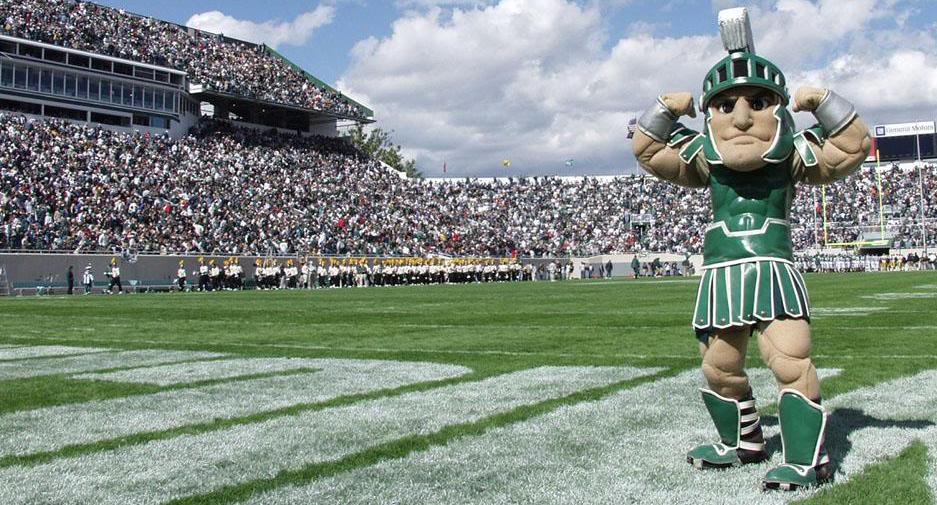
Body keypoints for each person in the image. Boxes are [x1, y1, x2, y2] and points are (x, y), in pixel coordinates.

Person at [632, 7, 870, 491]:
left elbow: (852, 146)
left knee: (790, 361)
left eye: (758, 102)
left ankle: (807, 460)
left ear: (779, 110)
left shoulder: (792, 155)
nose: (741, 117)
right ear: (711, 116)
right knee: (719, 368)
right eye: (725, 106)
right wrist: (663, 108)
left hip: (772, 269)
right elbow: (648, 151)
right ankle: (743, 442)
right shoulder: (706, 160)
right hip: (721, 274)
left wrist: (824, 100)